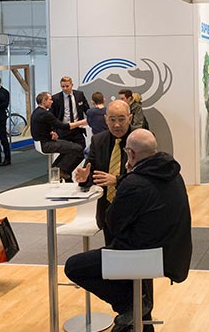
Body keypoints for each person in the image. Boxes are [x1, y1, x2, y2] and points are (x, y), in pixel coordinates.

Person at [66, 130, 192, 332]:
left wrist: (125, 180)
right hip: (170, 253)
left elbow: (112, 222)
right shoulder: (173, 173)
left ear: (131, 154)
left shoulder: (135, 183)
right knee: (134, 282)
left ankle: (129, 307)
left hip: (140, 255)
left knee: (74, 267)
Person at [81, 99, 134, 231]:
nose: (116, 125)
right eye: (112, 119)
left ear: (130, 118)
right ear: (105, 119)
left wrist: (117, 180)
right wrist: (84, 179)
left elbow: (146, 176)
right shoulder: (98, 140)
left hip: (134, 209)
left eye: (121, 119)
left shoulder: (140, 139)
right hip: (106, 210)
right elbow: (92, 173)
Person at [30, 92, 87, 177]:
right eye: (50, 100)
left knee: (68, 147)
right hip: (46, 144)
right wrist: (81, 122)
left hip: (42, 142)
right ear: (44, 101)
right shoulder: (45, 114)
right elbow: (63, 126)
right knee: (78, 148)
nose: (52, 102)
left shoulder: (36, 112)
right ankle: (61, 171)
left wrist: (51, 133)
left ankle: (56, 169)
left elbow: (39, 129)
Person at [51, 76, 90, 147]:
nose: (65, 88)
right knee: (64, 150)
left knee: (81, 149)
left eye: (67, 86)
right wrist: (53, 130)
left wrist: (91, 120)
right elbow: (52, 115)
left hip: (77, 128)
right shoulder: (55, 98)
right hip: (63, 129)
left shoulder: (79, 95)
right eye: (63, 86)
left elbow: (87, 109)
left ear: (72, 85)